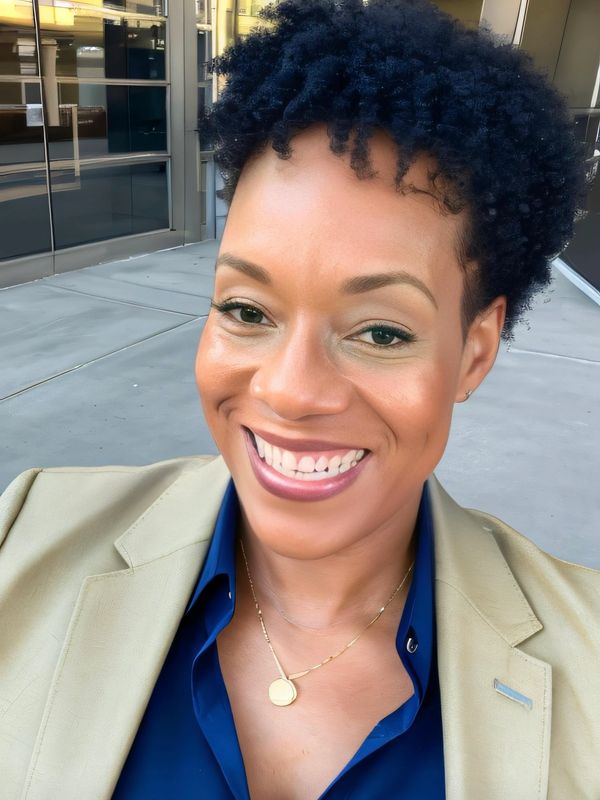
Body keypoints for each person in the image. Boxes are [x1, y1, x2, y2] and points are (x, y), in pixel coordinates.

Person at [0, 1, 598, 798]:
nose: (288, 389)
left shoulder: (587, 660)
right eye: (247, 311)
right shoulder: (25, 540)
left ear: (474, 352)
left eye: (380, 331)